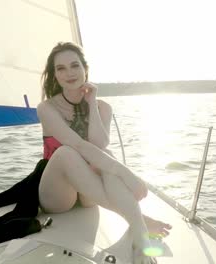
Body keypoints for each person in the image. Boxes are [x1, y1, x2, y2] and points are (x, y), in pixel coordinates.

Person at [36, 42, 171, 264]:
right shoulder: (46, 108)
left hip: (89, 193)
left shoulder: (103, 107)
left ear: (84, 69)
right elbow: (79, 146)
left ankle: (140, 241)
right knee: (67, 152)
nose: (69, 73)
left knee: (105, 153)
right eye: (61, 68)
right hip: (59, 194)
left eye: (74, 65)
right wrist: (128, 174)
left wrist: (91, 103)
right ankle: (140, 223)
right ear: (55, 75)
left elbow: (98, 144)